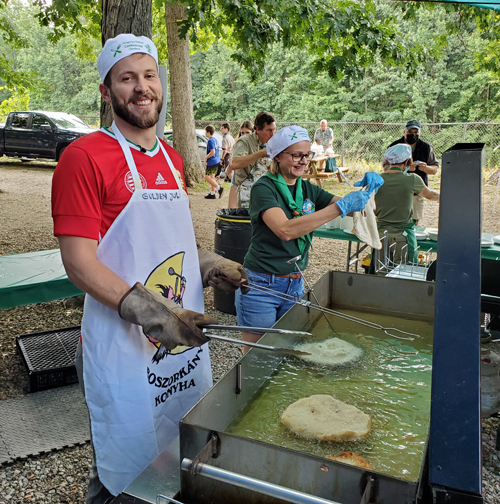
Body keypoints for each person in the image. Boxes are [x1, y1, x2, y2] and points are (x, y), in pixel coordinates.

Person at [51, 34, 247, 503]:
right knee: (125, 465)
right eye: (127, 79)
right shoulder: (83, 157)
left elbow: (167, 245)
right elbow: (78, 263)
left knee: (175, 448)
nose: (142, 88)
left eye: (149, 75)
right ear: (106, 90)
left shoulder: (172, 158)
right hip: (121, 342)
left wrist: (210, 263)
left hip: (176, 344)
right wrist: (156, 314)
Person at [235, 126, 383, 349]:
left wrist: (369, 193)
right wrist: (341, 207)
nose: (303, 161)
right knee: (258, 355)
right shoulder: (263, 189)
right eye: (296, 155)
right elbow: (285, 230)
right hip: (261, 284)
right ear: (277, 155)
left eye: (307, 155)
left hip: (294, 282)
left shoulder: (307, 189)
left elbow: (353, 209)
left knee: (288, 350)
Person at [376, 144, 439, 264]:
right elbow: (431, 195)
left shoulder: (378, 179)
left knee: (381, 274)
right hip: (402, 236)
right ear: (407, 162)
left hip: (381, 235)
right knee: (404, 274)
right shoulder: (412, 179)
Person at [383, 119, 439, 224]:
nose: (413, 135)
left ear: (420, 132)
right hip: (397, 191)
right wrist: (407, 168)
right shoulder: (394, 146)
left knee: (413, 223)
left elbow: (434, 169)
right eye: (410, 132)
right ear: (404, 131)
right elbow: (386, 167)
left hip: (416, 193)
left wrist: (425, 168)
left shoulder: (426, 148)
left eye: (415, 132)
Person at [231, 111, 276, 208]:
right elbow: (234, 163)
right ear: (258, 129)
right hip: (247, 194)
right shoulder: (245, 141)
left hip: (265, 192)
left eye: (274, 130)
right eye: (269, 130)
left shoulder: (272, 143)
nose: (272, 134)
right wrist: (261, 154)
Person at [226, 120, 254, 209]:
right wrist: (225, 174)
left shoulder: (255, 146)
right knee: (232, 207)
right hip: (238, 176)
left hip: (251, 176)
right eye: (242, 132)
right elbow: (232, 163)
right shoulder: (239, 144)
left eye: (247, 132)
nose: (245, 135)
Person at [204, 124, 223, 199]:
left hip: (212, 161)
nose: (205, 133)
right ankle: (212, 193)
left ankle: (219, 188)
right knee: (212, 177)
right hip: (217, 160)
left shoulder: (210, 140)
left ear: (208, 132)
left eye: (205, 131)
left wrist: (206, 157)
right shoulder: (215, 140)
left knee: (206, 177)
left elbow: (213, 152)